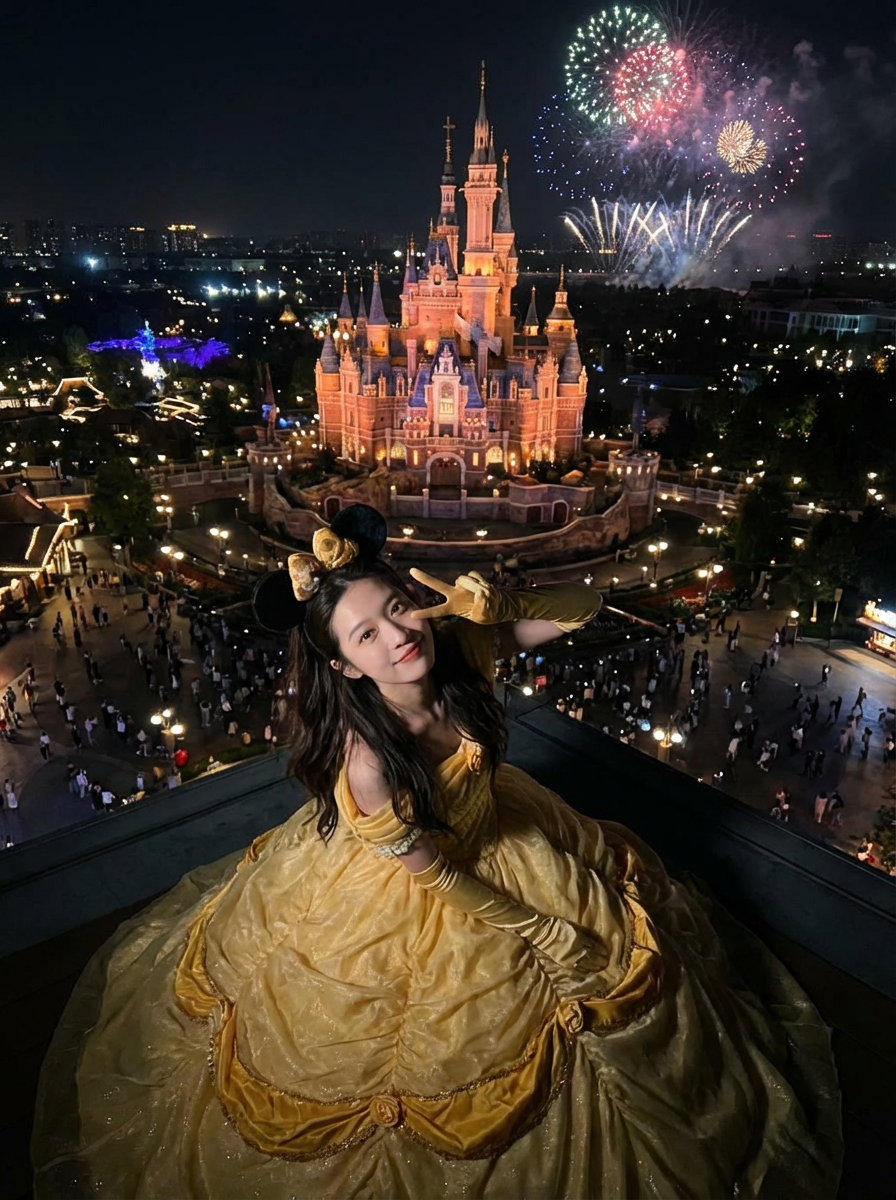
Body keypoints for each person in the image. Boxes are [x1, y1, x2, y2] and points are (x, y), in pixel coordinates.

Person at [32, 505, 840, 1200]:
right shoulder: (370, 764)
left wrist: (501, 602)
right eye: (368, 634)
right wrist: (538, 929)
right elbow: (438, 875)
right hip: (422, 891)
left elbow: (580, 608)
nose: (397, 637)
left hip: (509, 828)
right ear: (344, 663)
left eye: (399, 609)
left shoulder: (454, 652)